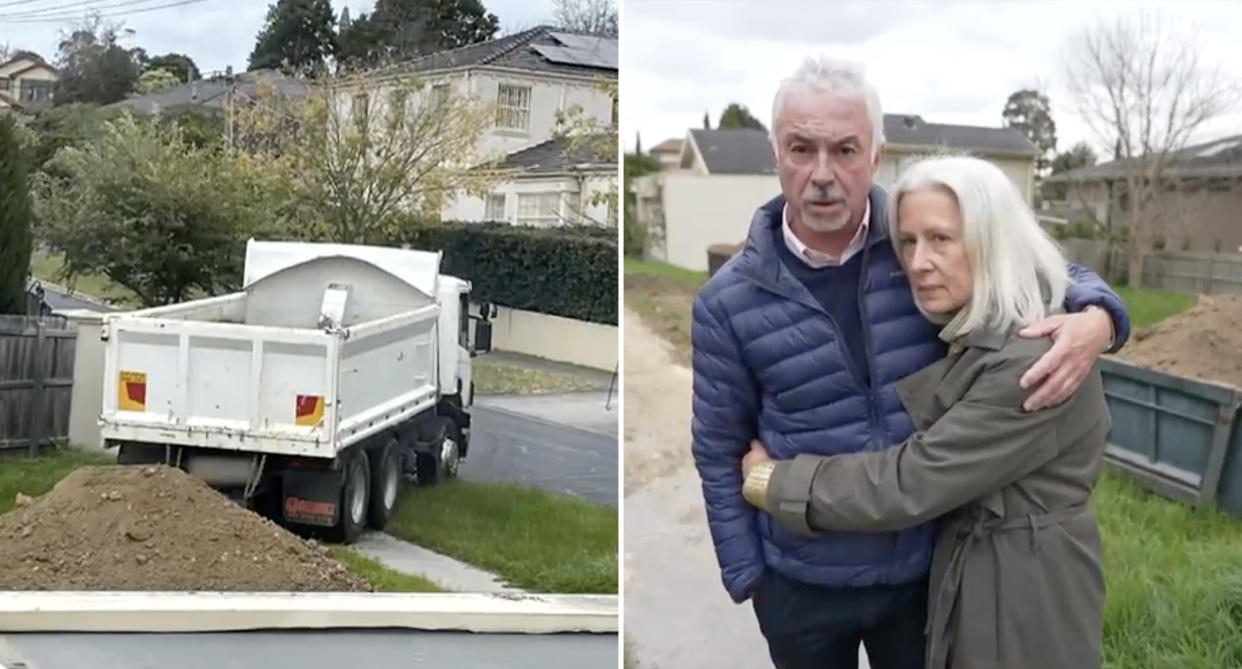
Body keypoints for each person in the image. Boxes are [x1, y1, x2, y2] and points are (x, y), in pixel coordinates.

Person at [689, 56, 1129, 669]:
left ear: (875, 155)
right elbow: (717, 448)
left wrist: (1100, 316)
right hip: (803, 583)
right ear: (775, 153)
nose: (822, 174)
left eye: (845, 149)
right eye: (801, 149)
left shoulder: (915, 237)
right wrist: (750, 577)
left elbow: (1031, 265)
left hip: (920, 570)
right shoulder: (727, 302)